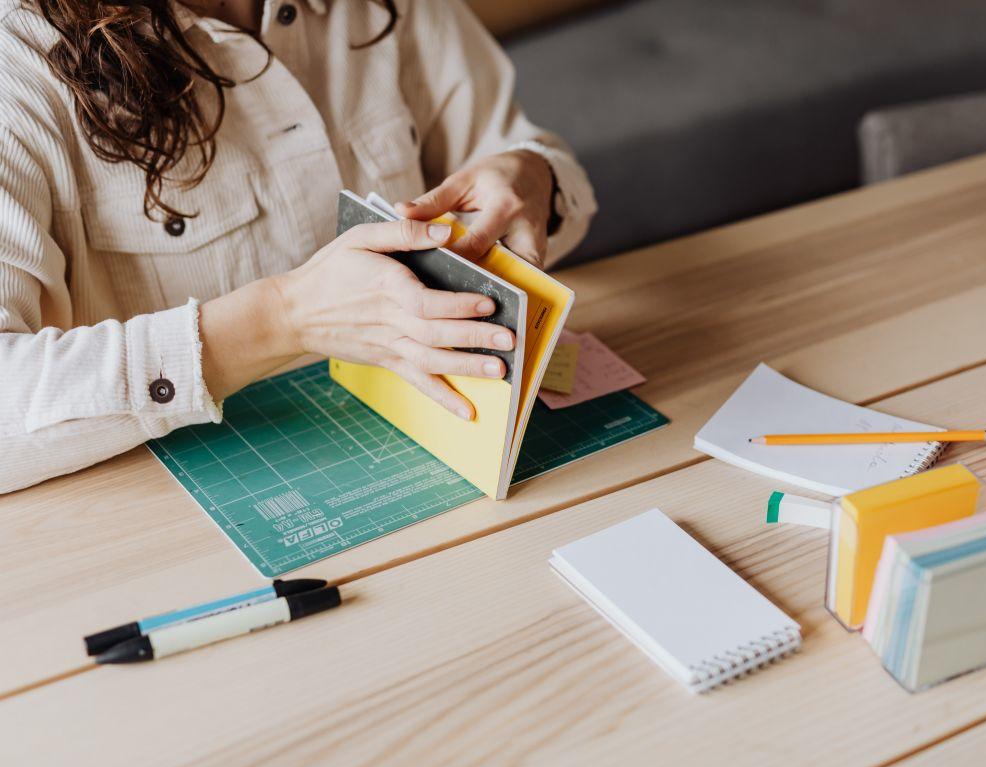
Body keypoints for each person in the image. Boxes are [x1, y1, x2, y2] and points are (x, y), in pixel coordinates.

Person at [0, 0, 596, 493]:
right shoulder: (15, 62)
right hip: (172, 500)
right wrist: (282, 318)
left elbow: (524, 166)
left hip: (436, 453)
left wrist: (533, 175)